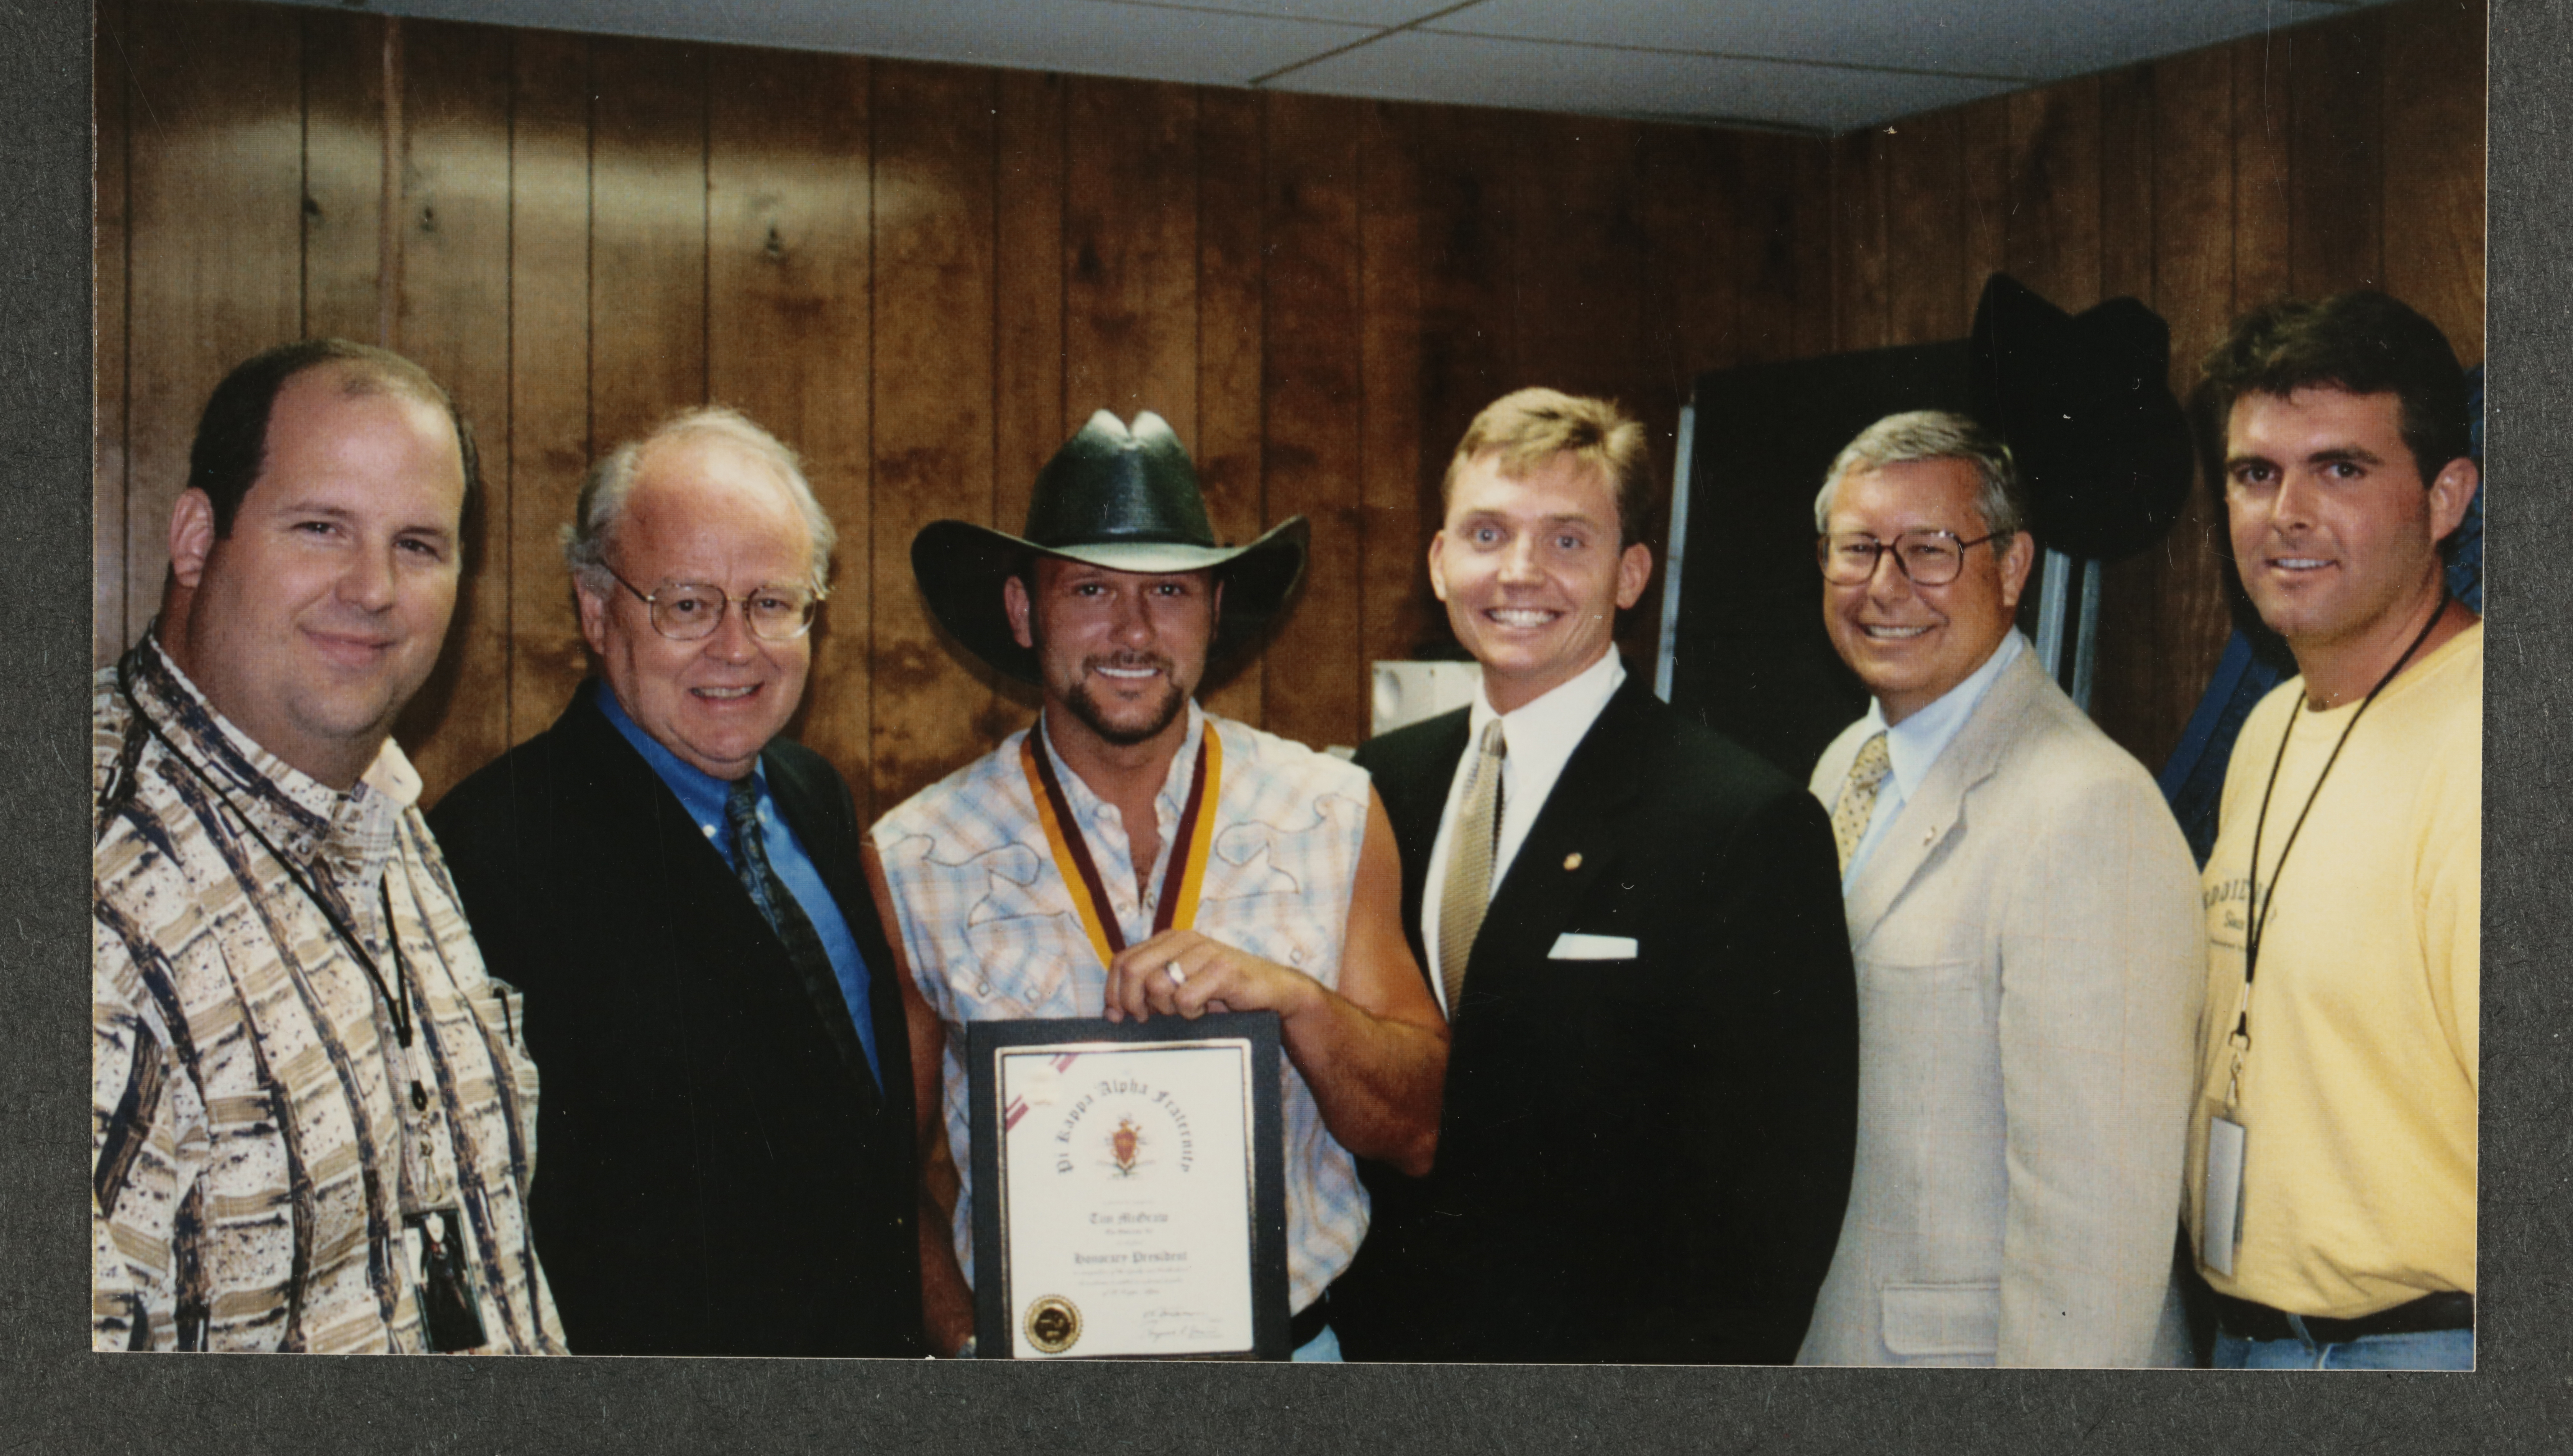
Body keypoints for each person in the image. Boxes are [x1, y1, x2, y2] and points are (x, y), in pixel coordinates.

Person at [868, 410, 1447, 1361]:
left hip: (1288, 1374)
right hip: (1034, 1383)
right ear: (1023, 611)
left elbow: (1418, 1127)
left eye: (1171, 590)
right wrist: (970, 1346)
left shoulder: (1331, 814)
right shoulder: (915, 858)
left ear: (1215, 612)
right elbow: (883, 1175)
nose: (1133, 630)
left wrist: (1296, 1001)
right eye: (1090, 588)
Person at [1329, 388, 1857, 1364]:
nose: (1521, 571)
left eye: (1568, 540)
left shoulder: (1742, 821)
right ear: (1440, 561)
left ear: (1631, 573)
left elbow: (1772, 1216)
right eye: (1487, 532)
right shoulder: (1370, 788)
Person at [91, 339, 565, 1354]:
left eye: (420, 545)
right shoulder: (90, 890)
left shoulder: (388, 820)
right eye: (321, 528)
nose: (374, 588)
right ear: (194, 536)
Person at [429, 409, 920, 1356]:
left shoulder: (815, 798)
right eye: (689, 604)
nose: (737, 648)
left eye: (773, 602)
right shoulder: (496, 850)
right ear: (594, 607)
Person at [1795, 411, 2203, 1367]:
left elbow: (2095, 1237)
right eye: (1857, 549)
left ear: (2013, 567)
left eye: (1931, 551)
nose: (1885, 588)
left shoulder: (2086, 809)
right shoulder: (1844, 765)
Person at [2184, 291, 2481, 1370]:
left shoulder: (2492, 736)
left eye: (2341, 469)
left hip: (2426, 1353)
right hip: (2258, 1339)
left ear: (2445, 497)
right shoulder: (2265, 726)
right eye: (2254, 473)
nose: (2285, 512)